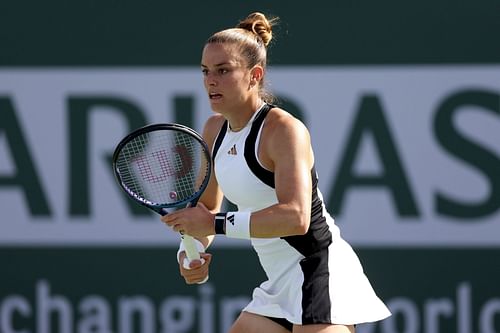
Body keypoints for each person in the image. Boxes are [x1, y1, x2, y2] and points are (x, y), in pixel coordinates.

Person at [162, 12, 391, 333]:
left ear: (254, 75)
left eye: (223, 71)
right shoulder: (214, 130)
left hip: (320, 273)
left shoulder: (284, 131)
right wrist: (192, 251)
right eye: (205, 71)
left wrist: (212, 224)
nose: (210, 80)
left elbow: (295, 217)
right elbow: (208, 210)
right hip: (279, 283)